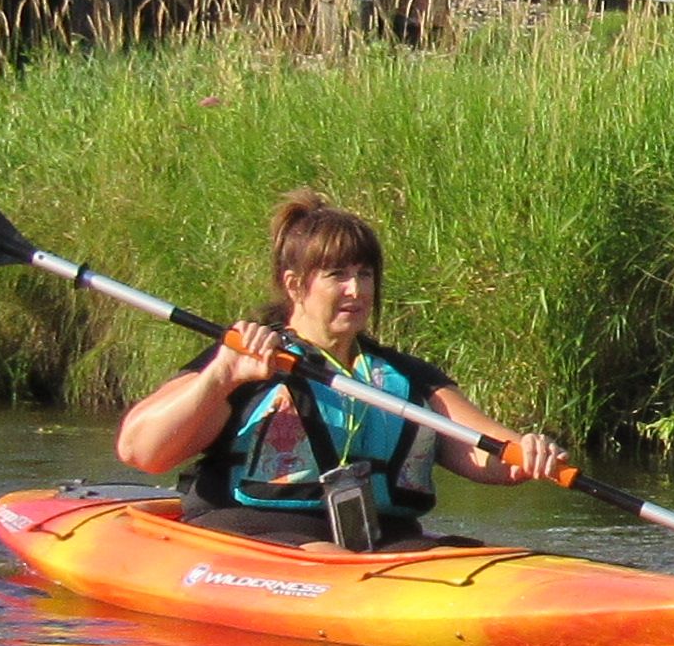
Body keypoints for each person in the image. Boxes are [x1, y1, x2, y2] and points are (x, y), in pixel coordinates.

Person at [112, 190, 562, 535]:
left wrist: (528, 454)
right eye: (337, 275)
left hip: (374, 541)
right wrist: (220, 378)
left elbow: (487, 451)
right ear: (295, 284)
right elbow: (140, 451)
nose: (356, 290)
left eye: (364, 274)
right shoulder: (246, 358)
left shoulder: (405, 378)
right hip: (250, 533)